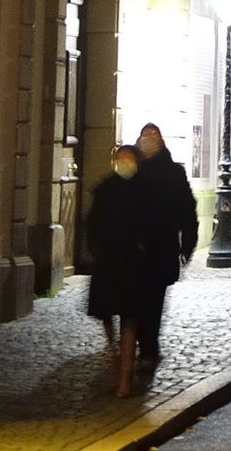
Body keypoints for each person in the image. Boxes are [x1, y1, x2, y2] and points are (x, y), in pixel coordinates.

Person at [134, 124, 198, 368]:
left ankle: (149, 347)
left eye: (153, 135)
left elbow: (186, 210)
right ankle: (142, 344)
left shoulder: (173, 172)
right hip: (135, 249)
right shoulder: (133, 170)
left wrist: (187, 245)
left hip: (161, 247)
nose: (149, 139)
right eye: (145, 135)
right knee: (137, 300)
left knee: (154, 301)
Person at [85, 144, 147, 395]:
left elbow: (151, 224)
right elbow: (92, 222)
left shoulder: (144, 190)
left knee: (129, 318)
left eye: (128, 159)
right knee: (106, 313)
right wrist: (95, 248)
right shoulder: (105, 188)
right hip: (108, 260)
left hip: (132, 261)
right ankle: (117, 354)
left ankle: (124, 377)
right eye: (120, 158)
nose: (123, 163)